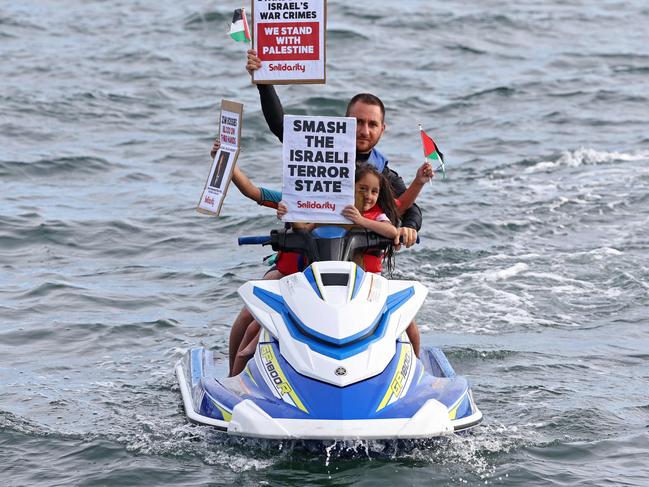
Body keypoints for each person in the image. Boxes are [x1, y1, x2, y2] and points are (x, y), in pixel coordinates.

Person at [231, 162, 433, 376]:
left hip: (365, 282)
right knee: (253, 326)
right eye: (361, 189)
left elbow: (392, 228)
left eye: (373, 191)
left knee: (407, 323)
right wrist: (288, 213)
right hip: (308, 279)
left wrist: (362, 220)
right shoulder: (320, 207)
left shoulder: (374, 214)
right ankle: (235, 374)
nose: (367, 196)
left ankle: (417, 371)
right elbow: (302, 224)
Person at [245, 49, 422, 249]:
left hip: (357, 258)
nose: (364, 131)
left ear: (382, 129)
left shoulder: (382, 173)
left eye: (372, 124)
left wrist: (409, 227)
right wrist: (264, 84)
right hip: (310, 250)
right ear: (345, 122)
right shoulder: (320, 152)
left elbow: (410, 208)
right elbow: (281, 128)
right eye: (358, 122)